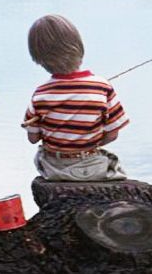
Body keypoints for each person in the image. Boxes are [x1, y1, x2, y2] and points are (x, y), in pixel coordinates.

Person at [22, 14, 129, 182]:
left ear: (38, 58)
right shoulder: (103, 87)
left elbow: (33, 138)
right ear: (79, 47)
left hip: (53, 169)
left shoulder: (40, 94)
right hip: (93, 165)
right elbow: (113, 134)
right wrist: (89, 144)